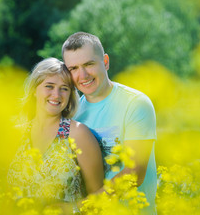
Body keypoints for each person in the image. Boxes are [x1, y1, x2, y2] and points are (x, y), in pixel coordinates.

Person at [62, 32, 157, 214]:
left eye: (89, 64)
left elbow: (134, 173)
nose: (82, 75)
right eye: (73, 68)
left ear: (105, 62)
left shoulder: (136, 103)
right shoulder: (73, 112)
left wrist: (78, 208)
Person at [7, 58, 103, 213]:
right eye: (49, 86)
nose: (56, 95)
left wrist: (72, 209)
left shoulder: (78, 134)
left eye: (64, 88)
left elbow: (99, 196)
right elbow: (7, 197)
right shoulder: (15, 134)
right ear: (34, 89)